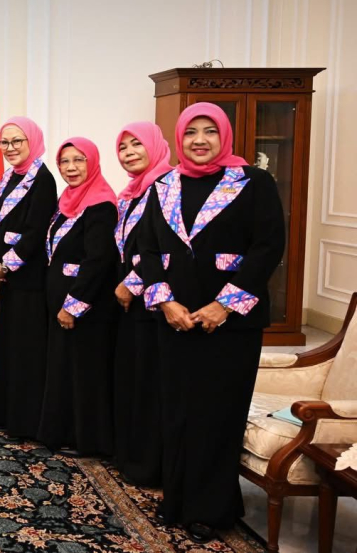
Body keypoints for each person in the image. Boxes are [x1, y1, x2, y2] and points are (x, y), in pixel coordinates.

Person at [137, 103, 284, 544]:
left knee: (217, 413)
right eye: (190, 133)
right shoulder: (163, 184)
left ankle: (212, 507)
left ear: (225, 136)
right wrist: (165, 302)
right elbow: (146, 249)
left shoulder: (253, 183)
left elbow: (267, 248)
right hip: (175, 320)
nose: (200, 140)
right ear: (178, 140)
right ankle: (178, 499)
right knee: (177, 410)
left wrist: (225, 305)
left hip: (229, 325)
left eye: (210, 132)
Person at [37, 137, 119, 457]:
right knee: (64, 368)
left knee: (85, 373)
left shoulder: (101, 204)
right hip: (62, 300)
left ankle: (89, 441)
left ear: (93, 162)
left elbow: (97, 261)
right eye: (65, 162)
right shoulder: (68, 200)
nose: (71, 168)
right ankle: (63, 433)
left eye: (79, 160)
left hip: (86, 308)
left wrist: (73, 306)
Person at [111, 122, 173, 487]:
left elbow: (162, 248)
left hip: (151, 300)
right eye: (124, 147)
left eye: (137, 144)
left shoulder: (166, 187)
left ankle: (149, 463)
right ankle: (131, 454)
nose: (130, 152)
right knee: (133, 377)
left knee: (149, 381)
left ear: (156, 145)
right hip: (130, 303)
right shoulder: (133, 191)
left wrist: (131, 285)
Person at [0, 117, 58, 439]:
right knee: (11, 345)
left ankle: (27, 419)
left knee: (27, 348)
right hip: (12, 277)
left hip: (29, 276)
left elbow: (34, 231)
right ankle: (7, 412)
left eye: (18, 141)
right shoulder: (10, 177)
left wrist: (7, 264)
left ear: (32, 141)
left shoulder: (41, 179)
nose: (11, 148)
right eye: (5, 142)